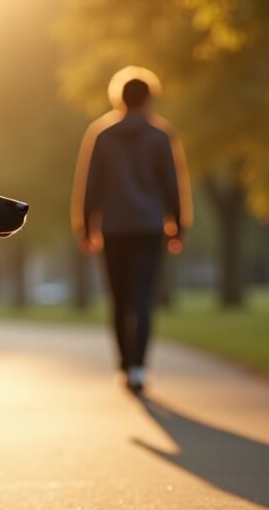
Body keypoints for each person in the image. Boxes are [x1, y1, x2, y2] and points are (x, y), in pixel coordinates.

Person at [72, 66, 192, 394]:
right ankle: (139, 367)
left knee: (119, 298)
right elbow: (173, 184)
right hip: (150, 227)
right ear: (149, 98)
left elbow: (90, 184)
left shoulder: (102, 135)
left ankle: (124, 366)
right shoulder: (160, 135)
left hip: (114, 227)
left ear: (119, 98)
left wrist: (85, 226)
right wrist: (179, 226)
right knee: (142, 298)